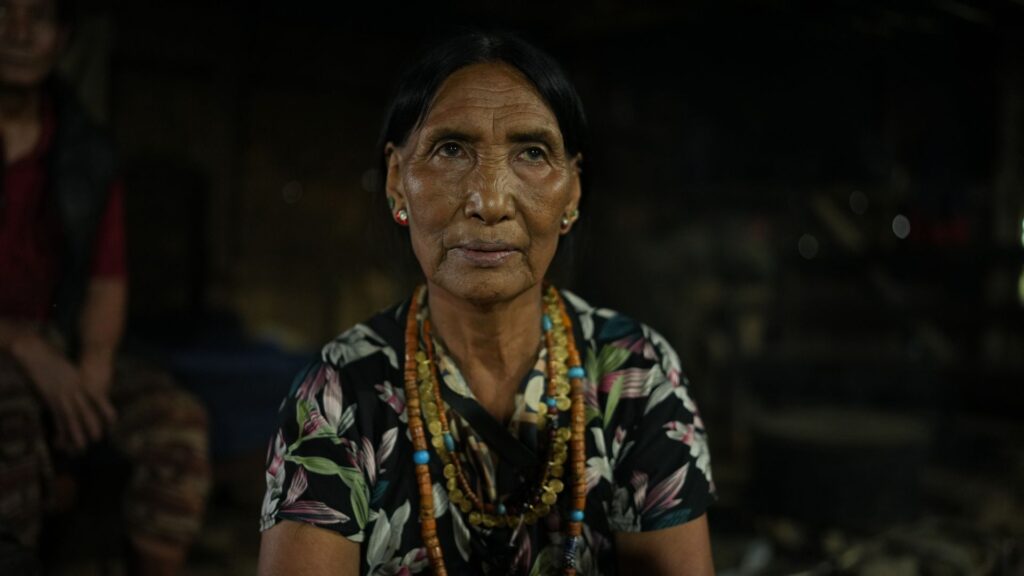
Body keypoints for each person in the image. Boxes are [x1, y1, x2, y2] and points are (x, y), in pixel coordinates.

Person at [259, 31, 715, 576]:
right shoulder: (337, 395)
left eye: (531, 153)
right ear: (397, 182)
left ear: (571, 192)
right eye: (451, 149)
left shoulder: (635, 374)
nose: (490, 201)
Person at [0, 0, 210, 574]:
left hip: (57, 343)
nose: (17, 33)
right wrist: (18, 343)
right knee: (11, 422)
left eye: (38, 16)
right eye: (4, 13)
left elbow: (106, 277)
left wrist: (92, 366)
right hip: (14, 349)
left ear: (63, 35)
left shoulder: (86, 150)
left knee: (177, 424)